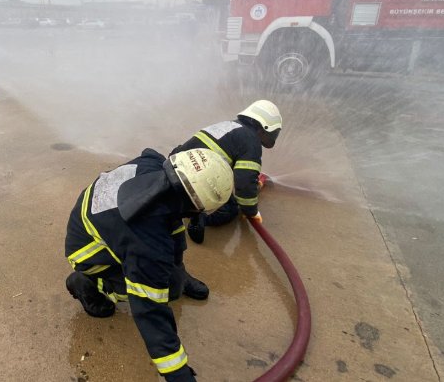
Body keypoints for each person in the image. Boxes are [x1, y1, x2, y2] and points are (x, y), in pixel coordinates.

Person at [64, 148, 234, 381]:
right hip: (90, 252)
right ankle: (91, 285)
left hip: (98, 219)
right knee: (159, 291)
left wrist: (179, 269)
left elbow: (173, 223)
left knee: (173, 281)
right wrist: (179, 374)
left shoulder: (157, 166)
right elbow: (149, 310)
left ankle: (179, 275)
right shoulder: (147, 243)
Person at [170, 99, 282, 244]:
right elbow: (245, 182)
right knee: (229, 209)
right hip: (194, 177)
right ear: (263, 127)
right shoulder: (252, 141)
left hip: (176, 166)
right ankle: (200, 217)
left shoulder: (229, 125)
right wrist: (251, 212)